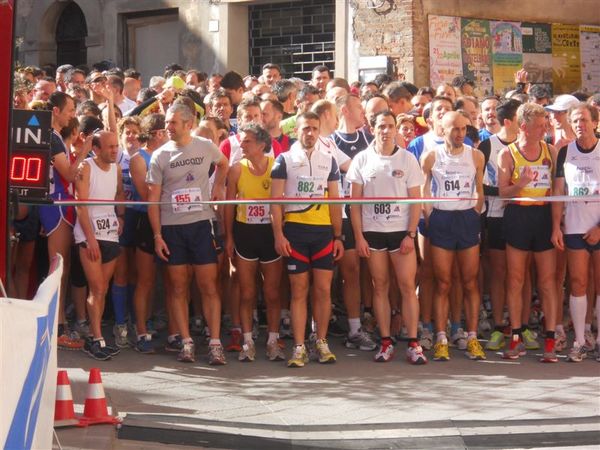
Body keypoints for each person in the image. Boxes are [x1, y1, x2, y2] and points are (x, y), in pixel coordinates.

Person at [147, 103, 229, 364]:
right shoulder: (160, 155)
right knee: (178, 287)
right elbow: (153, 200)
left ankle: (215, 342)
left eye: (173, 123)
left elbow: (224, 164)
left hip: (201, 224)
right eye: (167, 123)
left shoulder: (205, 146)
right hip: (173, 228)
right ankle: (186, 342)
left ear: (188, 124)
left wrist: (218, 187)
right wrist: (158, 235)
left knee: (208, 285)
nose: (167, 128)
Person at [348, 111, 426, 364]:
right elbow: (354, 204)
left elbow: (416, 200)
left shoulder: (408, 159)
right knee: (379, 286)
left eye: (390, 126)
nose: (386, 130)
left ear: (395, 129)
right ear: (372, 129)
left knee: (406, 287)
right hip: (373, 233)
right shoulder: (361, 159)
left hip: (401, 233)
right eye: (381, 126)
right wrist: (359, 237)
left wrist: (410, 234)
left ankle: (413, 343)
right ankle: (385, 342)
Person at [270, 111, 344, 367]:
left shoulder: (329, 160)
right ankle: (299, 346)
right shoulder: (284, 159)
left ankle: (321, 342)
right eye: (305, 129)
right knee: (299, 291)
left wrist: (338, 236)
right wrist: (278, 234)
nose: (310, 133)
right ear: (296, 131)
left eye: (314, 128)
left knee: (323, 291)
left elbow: (335, 201)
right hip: (295, 233)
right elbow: (276, 202)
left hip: (323, 233)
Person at [421, 111, 487, 361]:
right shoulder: (431, 156)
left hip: (466, 219)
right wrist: (431, 216)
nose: (460, 134)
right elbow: (424, 190)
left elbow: (479, 189)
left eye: (463, 128)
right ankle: (440, 337)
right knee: (443, 282)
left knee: (469, 281)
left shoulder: (476, 155)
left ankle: (471, 337)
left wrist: (474, 212)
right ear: (443, 129)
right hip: (442, 219)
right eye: (454, 129)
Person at [497, 102, 558, 363]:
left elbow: (557, 189)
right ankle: (516, 337)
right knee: (516, 280)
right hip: (518, 216)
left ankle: (551, 340)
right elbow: (502, 193)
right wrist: (519, 183)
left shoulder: (550, 151)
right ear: (524, 126)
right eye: (540, 125)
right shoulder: (507, 154)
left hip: (543, 215)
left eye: (545, 125)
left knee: (547, 282)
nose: (545, 129)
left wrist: (557, 225)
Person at [224, 123, 285, 362]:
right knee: (247, 291)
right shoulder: (237, 169)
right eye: (242, 141)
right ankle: (248, 341)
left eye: (247, 141)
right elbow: (228, 207)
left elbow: (281, 203)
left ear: (262, 145)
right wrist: (228, 236)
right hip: (245, 233)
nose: (242, 145)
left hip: (269, 234)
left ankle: (272, 340)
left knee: (272, 291)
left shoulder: (276, 166)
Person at [477, 99, 534, 352]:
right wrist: (506, 190)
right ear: (510, 122)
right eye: (521, 121)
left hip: (526, 215)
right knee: (500, 273)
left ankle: (522, 326)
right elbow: (478, 185)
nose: (525, 126)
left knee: (523, 274)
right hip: (497, 216)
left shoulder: (532, 146)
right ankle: (500, 326)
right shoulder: (487, 146)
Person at [551, 103, 600, 362]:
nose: (580, 125)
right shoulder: (564, 153)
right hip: (574, 227)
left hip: (598, 227)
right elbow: (558, 193)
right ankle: (580, 341)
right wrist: (556, 226)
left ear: (595, 122)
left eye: (584, 120)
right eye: (575, 121)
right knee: (578, 283)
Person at [40, 91, 88, 350]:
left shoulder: (57, 137)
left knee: (63, 267)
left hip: (61, 203)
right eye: (70, 109)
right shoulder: (52, 138)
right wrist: (84, 153)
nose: (73, 114)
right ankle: (54, 327)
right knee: (57, 268)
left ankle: (59, 323)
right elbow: (68, 174)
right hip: (56, 204)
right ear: (56, 111)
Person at [74, 131, 125, 360]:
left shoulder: (116, 169)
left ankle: (96, 338)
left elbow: (119, 195)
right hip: (89, 235)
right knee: (97, 288)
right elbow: (80, 205)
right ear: (97, 149)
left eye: (116, 146)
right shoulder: (86, 167)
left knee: (103, 288)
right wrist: (90, 237)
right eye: (109, 147)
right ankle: (96, 338)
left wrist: (121, 216)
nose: (114, 150)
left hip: (111, 233)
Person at [129, 113, 168, 353]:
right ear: (157, 134)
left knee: (170, 280)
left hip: (169, 217)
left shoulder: (168, 155)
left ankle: (171, 330)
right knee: (145, 279)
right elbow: (146, 195)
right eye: (166, 130)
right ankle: (141, 331)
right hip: (144, 219)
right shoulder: (139, 158)